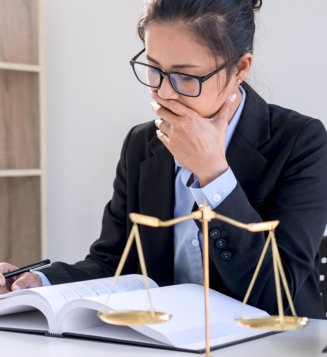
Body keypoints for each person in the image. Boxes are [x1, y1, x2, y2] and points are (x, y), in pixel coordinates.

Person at [1, 0, 327, 318]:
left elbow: (276, 293)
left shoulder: (302, 142)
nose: (164, 92)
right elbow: (113, 262)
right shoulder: (142, 143)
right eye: (154, 69)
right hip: (165, 340)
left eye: (186, 77)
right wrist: (37, 282)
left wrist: (213, 173)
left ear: (240, 67)